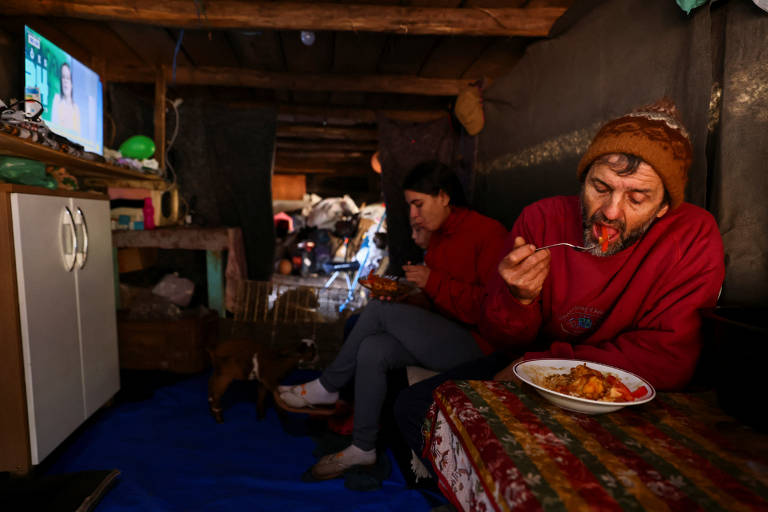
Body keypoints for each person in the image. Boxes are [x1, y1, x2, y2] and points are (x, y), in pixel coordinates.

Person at [394, 98, 726, 465]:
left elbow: (668, 360)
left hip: (604, 379)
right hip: (525, 361)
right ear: (582, 179)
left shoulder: (692, 235)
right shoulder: (542, 220)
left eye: (637, 197)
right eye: (600, 187)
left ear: (664, 207)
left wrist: (544, 365)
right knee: (414, 407)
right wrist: (518, 300)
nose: (611, 212)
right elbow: (498, 335)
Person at [277, 160, 507, 480]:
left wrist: (432, 282)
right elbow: (436, 303)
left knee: (377, 314)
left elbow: (494, 312)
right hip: (445, 336)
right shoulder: (438, 238)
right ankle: (363, 448)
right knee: (373, 347)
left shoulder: (488, 234)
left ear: (443, 197)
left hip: (478, 348)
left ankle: (328, 386)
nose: (413, 215)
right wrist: (407, 297)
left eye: (418, 204)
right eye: (410, 206)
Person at [51, 62, 81, 133]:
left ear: (72, 83)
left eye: (68, 78)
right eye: (63, 77)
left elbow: (77, 135)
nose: (65, 81)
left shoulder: (76, 108)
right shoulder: (57, 99)